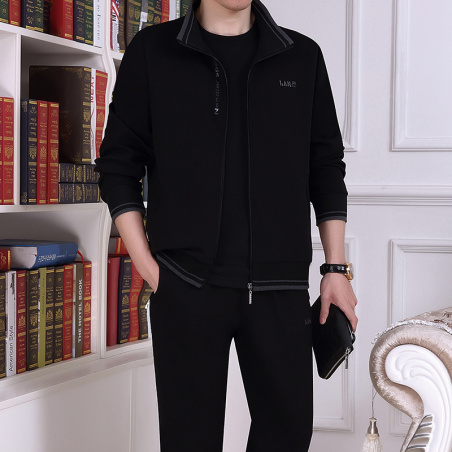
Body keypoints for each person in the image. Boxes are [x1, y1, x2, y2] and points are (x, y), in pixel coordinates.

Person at [95, 0, 358, 450]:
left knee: (288, 436)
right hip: (186, 286)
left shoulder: (302, 57)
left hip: (280, 290)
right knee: (188, 442)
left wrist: (336, 270)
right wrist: (152, 271)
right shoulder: (153, 51)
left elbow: (326, 168)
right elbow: (118, 167)